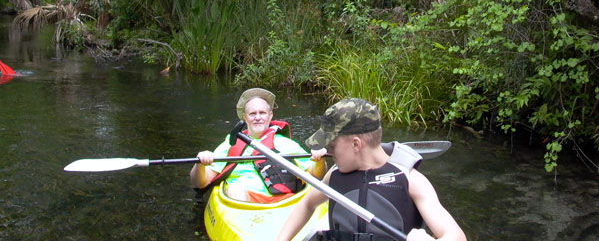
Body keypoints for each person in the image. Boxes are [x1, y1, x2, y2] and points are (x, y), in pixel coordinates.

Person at [276, 98, 467, 241]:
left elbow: (456, 236)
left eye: (332, 146)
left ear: (356, 144)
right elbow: (307, 204)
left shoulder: (410, 179)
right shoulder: (334, 175)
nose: (328, 152)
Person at [190, 87, 327, 203]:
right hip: (245, 201)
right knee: (233, 189)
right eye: (252, 113)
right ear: (244, 117)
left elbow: (315, 175)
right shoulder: (231, 143)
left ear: (270, 115)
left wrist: (320, 161)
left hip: (285, 201)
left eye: (262, 113)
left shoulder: (285, 143)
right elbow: (200, 182)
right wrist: (200, 164)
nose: (258, 117)